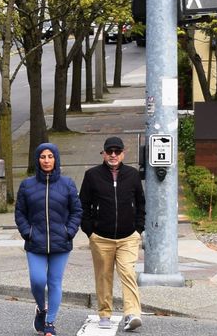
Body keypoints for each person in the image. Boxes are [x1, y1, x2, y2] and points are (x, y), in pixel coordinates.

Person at [16, 143, 82, 336]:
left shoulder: (67, 184)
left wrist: (68, 231)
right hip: (35, 242)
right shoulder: (27, 185)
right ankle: (41, 309)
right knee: (37, 281)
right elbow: (20, 212)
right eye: (43, 157)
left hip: (60, 243)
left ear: (56, 159)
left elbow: (77, 211)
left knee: (54, 282)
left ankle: (50, 323)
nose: (46, 160)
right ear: (37, 159)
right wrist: (27, 232)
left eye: (50, 156)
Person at [80, 137, 146, 331]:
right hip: (101, 238)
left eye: (117, 151)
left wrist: (138, 229)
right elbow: (83, 205)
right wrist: (89, 231)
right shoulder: (92, 175)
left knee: (128, 273)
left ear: (123, 153)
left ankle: (132, 313)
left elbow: (141, 203)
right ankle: (105, 314)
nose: (114, 155)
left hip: (128, 237)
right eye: (110, 152)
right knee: (103, 276)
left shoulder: (132, 175)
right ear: (104, 154)